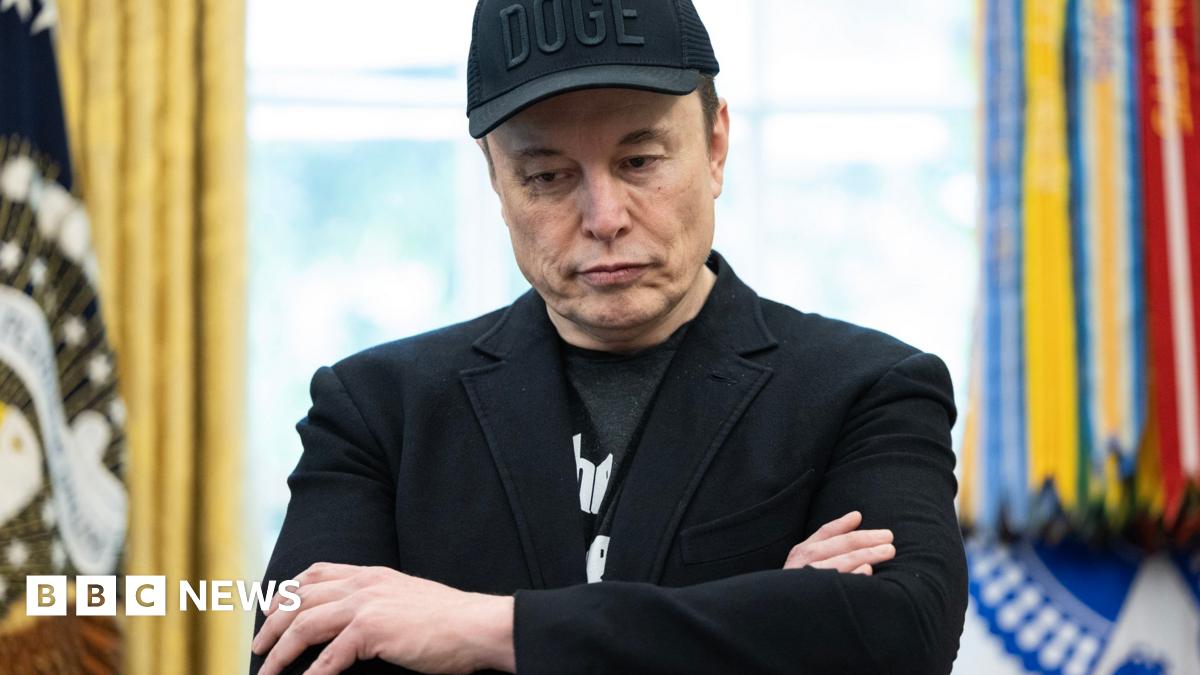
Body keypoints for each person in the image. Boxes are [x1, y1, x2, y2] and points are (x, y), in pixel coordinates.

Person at [249, 1, 968, 673]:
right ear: (497, 181)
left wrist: (480, 626)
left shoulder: (868, 390)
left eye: (640, 161)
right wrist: (762, 617)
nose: (604, 215)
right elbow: (294, 650)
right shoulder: (376, 409)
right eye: (548, 175)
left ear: (715, 145)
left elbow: (899, 634)